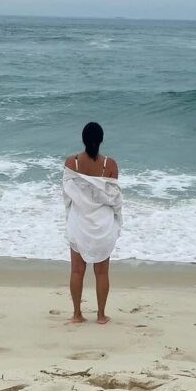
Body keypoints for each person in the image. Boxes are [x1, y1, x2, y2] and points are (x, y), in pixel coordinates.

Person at [62, 122, 122, 324]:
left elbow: (68, 196)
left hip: (80, 222)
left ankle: (77, 314)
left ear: (83, 139)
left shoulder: (72, 163)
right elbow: (114, 198)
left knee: (77, 271)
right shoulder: (110, 165)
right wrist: (116, 220)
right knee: (102, 272)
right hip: (102, 225)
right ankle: (101, 315)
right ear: (101, 140)